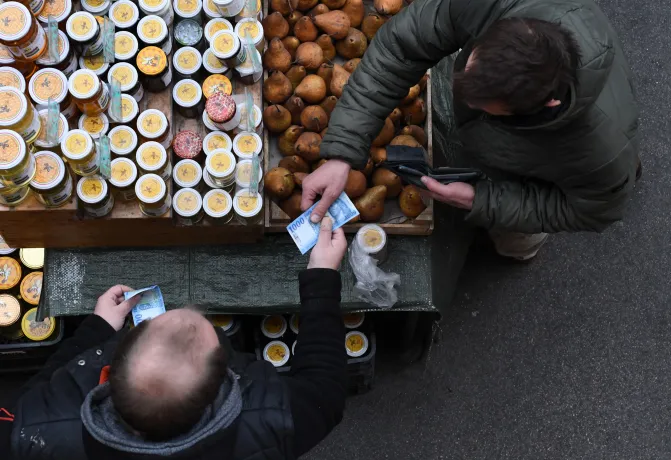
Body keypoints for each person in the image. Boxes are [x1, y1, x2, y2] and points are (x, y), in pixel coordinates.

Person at [303, 0, 639, 260]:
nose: (463, 97)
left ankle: (518, 250)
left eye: (484, 105)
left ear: (545, 104)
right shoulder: (492, 6)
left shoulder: (601, 152)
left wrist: (483, 200)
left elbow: (591, 209)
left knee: (515, 237)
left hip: (538, 176)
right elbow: (402, 46)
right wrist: (342, 151)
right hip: (500, 140)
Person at [8, 218, 348, 460]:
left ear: (108, 372)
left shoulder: (30, 429)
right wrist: (321, 277)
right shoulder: (272, 421)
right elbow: (326, 389)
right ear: (223, 382)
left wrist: (96, 329)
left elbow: (39, 387)